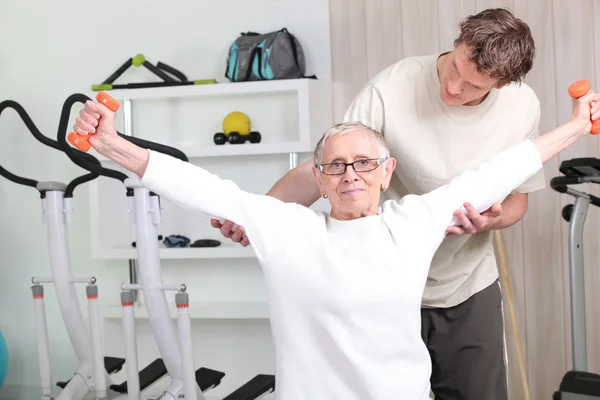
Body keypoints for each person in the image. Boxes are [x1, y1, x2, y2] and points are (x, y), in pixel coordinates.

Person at [73, 89, 597, 399]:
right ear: (319, 179)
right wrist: (113, 145)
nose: (351, 174)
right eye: (336, 165)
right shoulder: (288, 229)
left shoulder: (410, 222)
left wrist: (576, 126)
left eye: (364, 162)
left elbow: (496, 172)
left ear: (386, 171)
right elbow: (203, 187)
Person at [212, 8, 545, 399]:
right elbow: (331, 166)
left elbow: (518, 199)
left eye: (473, 86)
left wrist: (493, 219)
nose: (454, 87)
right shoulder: (393, 86)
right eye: (455, 67)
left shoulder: (522, 107)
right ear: (458, 42)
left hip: (464, 284)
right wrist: (258, 215)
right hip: (379, 284)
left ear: (503, 84)